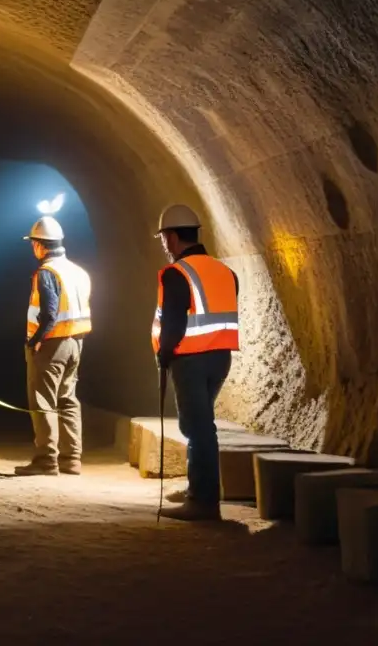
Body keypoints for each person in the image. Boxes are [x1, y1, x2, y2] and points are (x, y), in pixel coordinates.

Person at [152, 204, 239, 521]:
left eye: (163, 237)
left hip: (189, 358)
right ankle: (199, 489)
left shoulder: (177, 274)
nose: (164, 244)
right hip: (220, 358)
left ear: (172, 237)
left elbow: (174, 325)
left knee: (197, 428)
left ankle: (203, 501)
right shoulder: (226, 272)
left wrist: (163, 354)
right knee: (201, 426)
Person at [16, 216, 92, 476]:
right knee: (68, 399)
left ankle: (46, 460)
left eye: (33, 243)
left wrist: (36, 341)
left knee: (43, 400)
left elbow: (49, 313)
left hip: (52, 344)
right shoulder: (78, 271)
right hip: (76, 343)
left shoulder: (47, 272)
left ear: (40, 245)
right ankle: (72, 459)